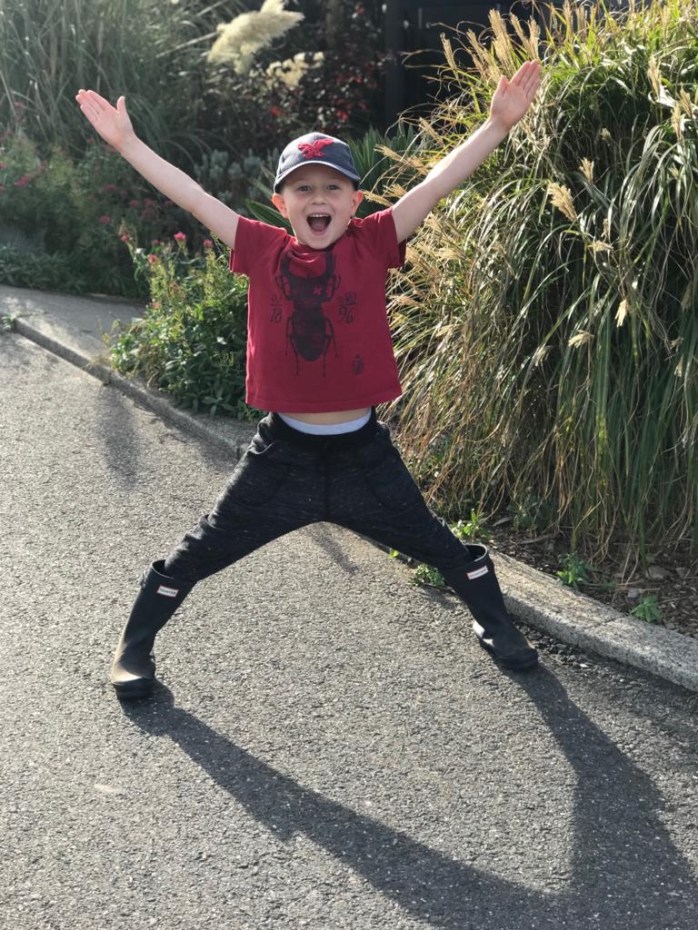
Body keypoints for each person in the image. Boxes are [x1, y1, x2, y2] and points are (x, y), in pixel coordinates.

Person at [76, 60, 543, 699]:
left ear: (354, 201)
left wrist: (496, 126)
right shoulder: (261, 248)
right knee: (201, 549)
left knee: (437, 544)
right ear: (281, 204)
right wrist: (129, 144)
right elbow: (193, 197)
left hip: (364, 457)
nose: (317, 198)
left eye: (332, 187)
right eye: (302, 188)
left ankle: (495, 624)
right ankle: (134, 646)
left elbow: (436, 184)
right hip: (283, 456)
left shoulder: (374, 241)